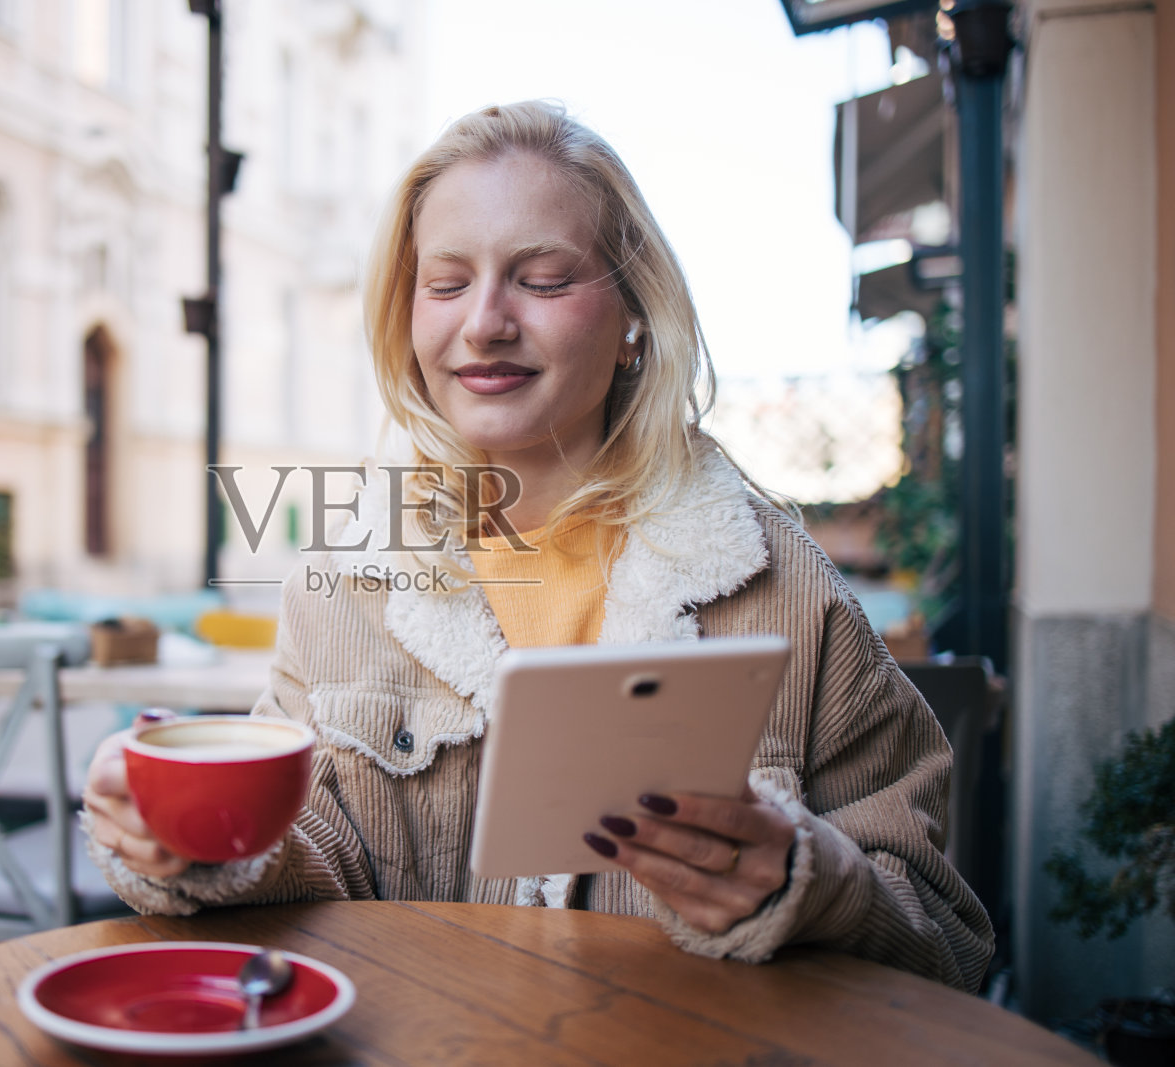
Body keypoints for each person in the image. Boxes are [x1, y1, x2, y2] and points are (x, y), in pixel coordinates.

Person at [83, 100, 995, 993]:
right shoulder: (342, 583)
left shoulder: (780, 584)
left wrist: (808, 880)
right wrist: (199, 841)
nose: (484, 321)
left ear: (636, 317)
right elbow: (317, 858)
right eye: (446, 284)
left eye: (544, 278)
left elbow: (946, 941)